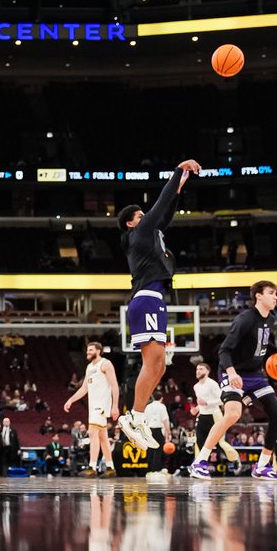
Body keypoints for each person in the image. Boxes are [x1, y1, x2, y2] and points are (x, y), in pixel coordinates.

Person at [117, 159, 201, 450]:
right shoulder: (138, 232)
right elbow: (161, 204)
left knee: (160, 367)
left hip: (155, 301)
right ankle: (134, 416)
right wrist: (179, 170)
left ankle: (136, 415)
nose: (147, 217)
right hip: (146, 299)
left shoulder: (151, 233)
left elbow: (167, 210)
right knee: (152, 362)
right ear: (131, 222)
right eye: (140, 215)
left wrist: (183, 181)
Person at [189, 280, 277, 481]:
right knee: (233, 414)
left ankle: (261, 466)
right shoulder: (245, 319)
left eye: (276, 293)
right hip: (231, 372)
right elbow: (224, 350)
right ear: (258, 296)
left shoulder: (271, 319)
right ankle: (199, 462)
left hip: (255, 375)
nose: (276, 297)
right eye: (271, 293)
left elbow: (261, 343)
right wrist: (232, 373)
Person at [63, 341, 119, 477]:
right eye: (87, 350)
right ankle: (111, 468)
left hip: (101, 405)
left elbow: (115, 385)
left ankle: (92, 467)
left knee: (92, 433)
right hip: (93, 406)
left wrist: (115, 406)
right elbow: (84, 389)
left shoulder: (105, 364)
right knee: (103, 437)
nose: (88, 353)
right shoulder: (89, 367)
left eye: (91, 350)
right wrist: (71, 400)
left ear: (98, 351)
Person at [189, 361, 241, 474]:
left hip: (214, 414)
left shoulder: (212, 384)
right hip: (202, 415)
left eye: (201, 369)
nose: (198, 371)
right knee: (199, 441)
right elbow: (201, 402)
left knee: (219, 442)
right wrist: (196, 409)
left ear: (208, 371)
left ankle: (235, 458)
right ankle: (199, 466)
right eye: (197, 369)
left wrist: (207, 402)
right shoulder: (196, 386)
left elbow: (221, 399)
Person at [143, 391, 171, 484]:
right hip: (158, 430)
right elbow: (165, 420)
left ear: (153, 397)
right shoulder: (162, 406)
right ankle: (156, 470)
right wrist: (168, 433)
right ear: (161, 398)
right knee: (158, 450)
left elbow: (144, 421)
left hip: (149, 430)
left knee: (150, 450)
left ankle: (149, 469)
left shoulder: (148, 406)